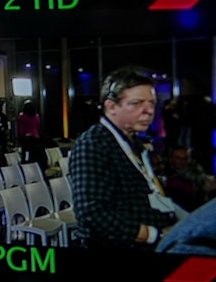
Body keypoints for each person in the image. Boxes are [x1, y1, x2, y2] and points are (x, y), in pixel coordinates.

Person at [67, 66, 182, 249]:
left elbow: (149, 190)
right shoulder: (93, 145)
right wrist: (154, 234)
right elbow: (91, 213)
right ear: (111, 107)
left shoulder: (134, 141)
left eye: (151, 103)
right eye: (137, 103)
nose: (149, 111)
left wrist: (178, 220)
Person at [16, 99, 43, 165]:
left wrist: (21, 136)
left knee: (24, 151)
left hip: (26, 137)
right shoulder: (36, 116)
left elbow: (21, 128)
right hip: (35, 136)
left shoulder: (22, 116)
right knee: (33, 151)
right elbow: (38, 126)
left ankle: (24, 163)